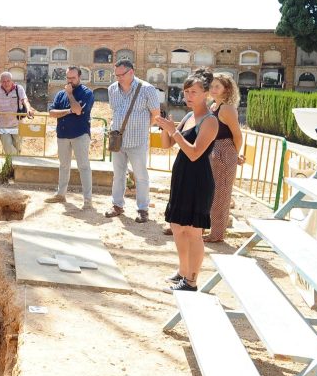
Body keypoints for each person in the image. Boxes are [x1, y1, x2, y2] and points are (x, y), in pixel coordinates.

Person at [155, 69, 219, 292]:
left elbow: (194, 153)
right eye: (186, 92)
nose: (188, 96)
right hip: (181, 177)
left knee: (193, 231)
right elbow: (166, 145)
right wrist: (166, 128)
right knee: (177, 227)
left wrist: (175, 132)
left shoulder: (210, 121)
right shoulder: (188, 117)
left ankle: (191, 281)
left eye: (193, 92)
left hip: (198, 180)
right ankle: (182, 272)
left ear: (206, 94)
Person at [105, 59, 160, 223]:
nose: (118, 78)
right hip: (118, 140)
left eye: (121, 75)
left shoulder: (146, 89)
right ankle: (117, 205)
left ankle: (143, 209)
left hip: (138, 140)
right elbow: (115, 111)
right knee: (118, 175)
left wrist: (140, 127)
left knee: (141, 176)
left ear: (131, 72)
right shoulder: (112, 89)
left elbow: (156, 115)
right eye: (116, 75)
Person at [45, 66, 94, 208]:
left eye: (73, 78)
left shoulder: (86, 93)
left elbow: (78, 111)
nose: (70, 80)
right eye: (68, 78)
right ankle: (61, 194)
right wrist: (68, 111)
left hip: (80, 134)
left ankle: (87, 200)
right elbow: (52, 112)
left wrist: (70, 95)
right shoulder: (60, 94)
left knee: (83, 166)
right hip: (63, 134)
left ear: (79, 77)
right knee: (63, 165)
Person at [204, 72, 244, 242]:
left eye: (217, 86)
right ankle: (210, 229)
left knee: (221, 194)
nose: (213, 89)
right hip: (212, 150)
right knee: (210, 192)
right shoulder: (213, 106)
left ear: (226, 89)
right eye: (211, 86)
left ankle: (217, 234)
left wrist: (235, 154)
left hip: (224, 150)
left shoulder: (227, 109)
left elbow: (237, 135)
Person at [0, 71, 35, 156]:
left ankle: (13, 165)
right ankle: (15, 160)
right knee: (7, 146)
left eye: (8, 81)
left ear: (12, 81)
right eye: (3, 81)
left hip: (17, 123)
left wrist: (29, 109)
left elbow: (24, 100)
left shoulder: (19, 88)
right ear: (1, 82)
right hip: (3, 124)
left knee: (18, 146)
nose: (6, 83)